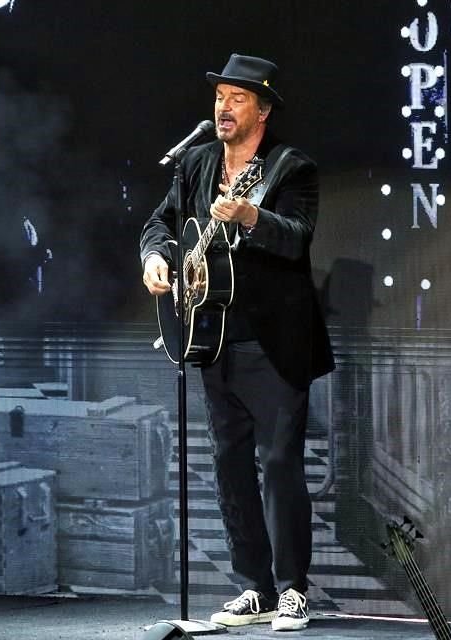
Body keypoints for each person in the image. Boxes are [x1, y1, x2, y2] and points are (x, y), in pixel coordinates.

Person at [139, 53, 335, 631]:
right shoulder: (196, 163)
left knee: (278, 464)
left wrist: (252, 216)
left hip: (273, 344)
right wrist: (156, 256)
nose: (223, 107)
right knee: (228, 466)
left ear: (264, 110)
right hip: (211, 337)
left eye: (238, 98)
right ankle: (255, 587)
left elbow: (298, 239)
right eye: (220, 96)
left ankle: (293, 588)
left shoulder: (291, 168)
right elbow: (162, 223)